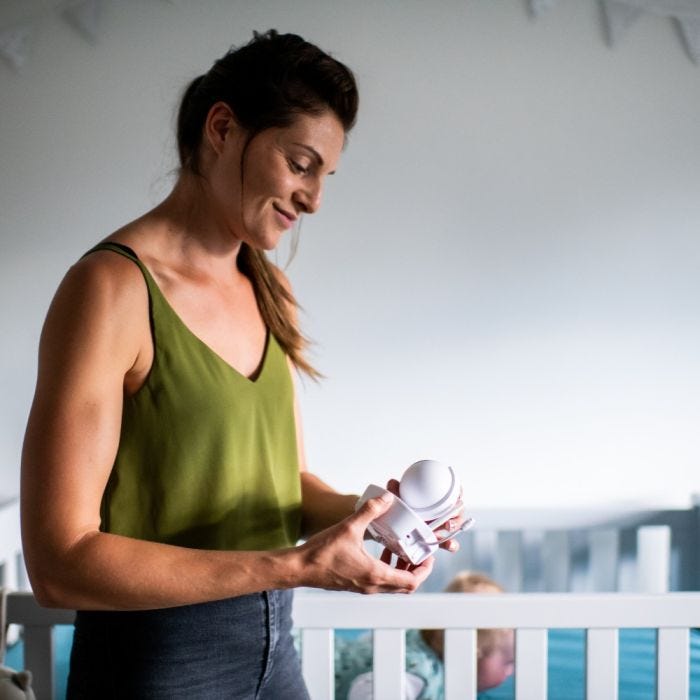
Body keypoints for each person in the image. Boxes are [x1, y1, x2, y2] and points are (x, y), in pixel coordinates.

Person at [19, 30, 463, 699]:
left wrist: (368, 515)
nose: (314, 199)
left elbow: (282, 482)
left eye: (325, 177)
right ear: (223, 127)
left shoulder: (266, 286)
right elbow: (59, 564)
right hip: (158, 667)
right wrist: (293, 566)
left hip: (273, 655)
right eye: (302, 163)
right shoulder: (111, 290)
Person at [334, 571, 515, 699]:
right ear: (473, 652)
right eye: (508, 662)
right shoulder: (420, 673)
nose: (512, 671)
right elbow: (370, 690)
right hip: (319, 664)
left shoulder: (418, 637)